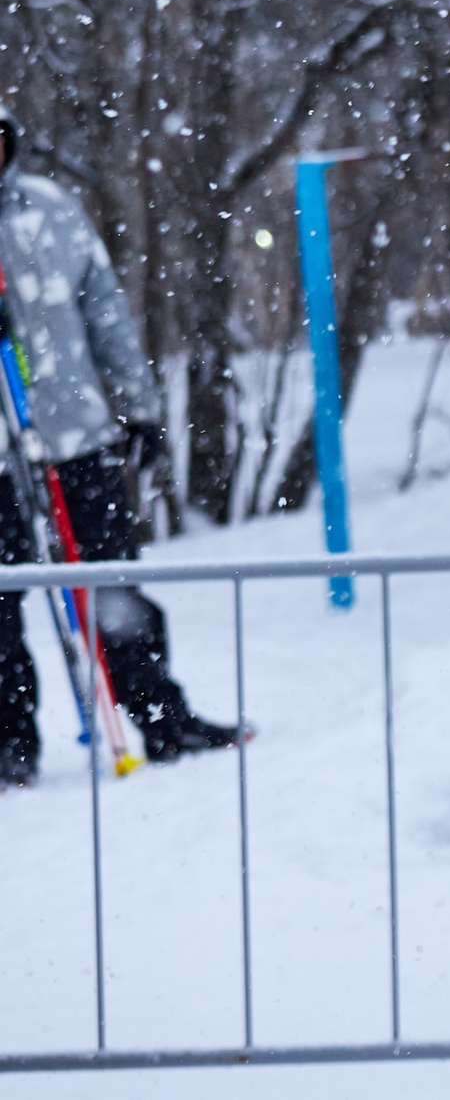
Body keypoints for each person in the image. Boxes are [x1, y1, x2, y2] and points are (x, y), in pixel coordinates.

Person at [0, 111, 244, 781]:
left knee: (114, 585)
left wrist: (137, 405)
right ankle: (9, 743)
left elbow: (103, 309)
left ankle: (163, 719)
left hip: (75, 437)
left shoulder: (49, 209)